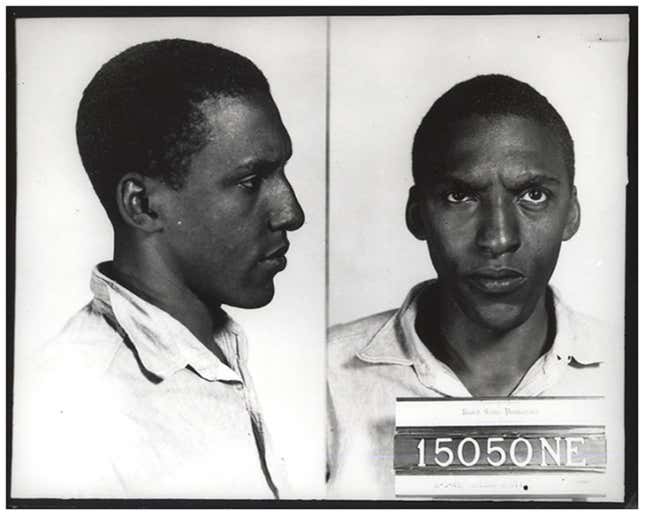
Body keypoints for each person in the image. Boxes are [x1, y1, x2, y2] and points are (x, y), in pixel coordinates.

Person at [12, 39, 304, 499]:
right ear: (143, 205)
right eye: (250, 182)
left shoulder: (219, 347)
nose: (291, 212)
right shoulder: (71, 407)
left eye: (283, 172)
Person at [327, 74, 617, 499]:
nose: (498, 238)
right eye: (461, 197)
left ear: (572, 212)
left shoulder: (631, 371)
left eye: (533, 194)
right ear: (417, 214)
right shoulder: (322, 379)